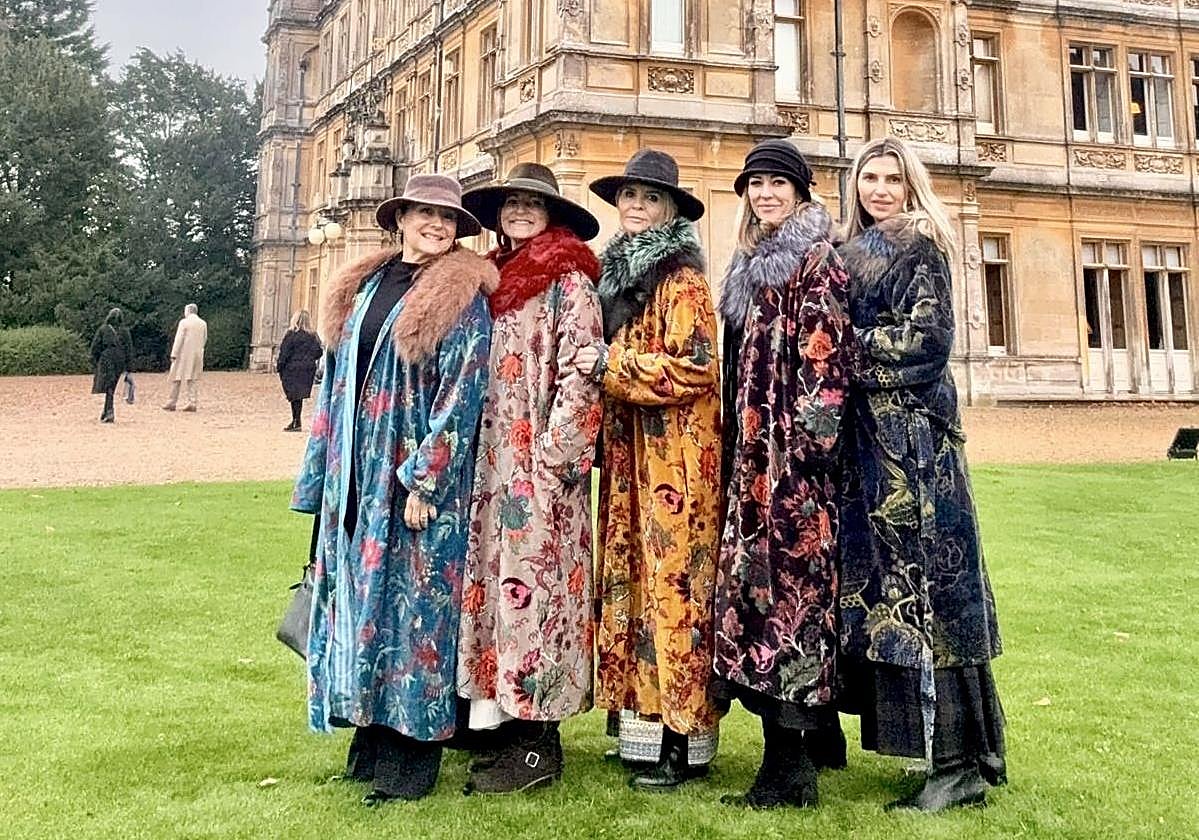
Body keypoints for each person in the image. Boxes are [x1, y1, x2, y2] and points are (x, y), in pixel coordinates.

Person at [290, 174, 496, 805]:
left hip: (409, 481)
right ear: (401, 217)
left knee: (415, 617)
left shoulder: (459, 295)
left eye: (447, 218)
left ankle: (410, 761)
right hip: (356, 475)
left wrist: (426, 479)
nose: (436, 225)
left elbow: (463, 392)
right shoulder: (370, 284)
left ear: (458, 229)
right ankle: (370, 740)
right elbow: (336, 382)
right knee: (361, 608)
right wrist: (322, 469)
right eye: (424, 213)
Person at [837, 136, 1006, 812]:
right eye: (868, 178)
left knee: (935, 600)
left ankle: (961, 764)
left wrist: (837, 352)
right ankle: (952, 755)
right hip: (875, 453)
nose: (879, 190)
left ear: (911, 187)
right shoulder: (858, 251)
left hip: (917, 451)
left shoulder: (918, 243)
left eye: (891, 179)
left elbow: (926, 344)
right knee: (898, 603)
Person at [572, 149, 722, 790]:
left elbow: (697, 366)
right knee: (632, 585)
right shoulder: (618, 277)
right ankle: (643, 728)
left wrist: (612, 369)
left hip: (679, 461)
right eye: (627, 196)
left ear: (668, 211)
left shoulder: (682, 279)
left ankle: (684, 740)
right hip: (633, 460)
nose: (635, 207)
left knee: (675, 592)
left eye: (649, 199)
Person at [713, 139, 854, 809]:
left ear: (800, 191)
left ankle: (788, 769)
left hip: (793, 473)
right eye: (755, 183)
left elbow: (825, 367)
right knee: (757, 604)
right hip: (751, 465)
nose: (764, 193)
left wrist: (802, 458)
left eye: (776, 183)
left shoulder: (814, 259)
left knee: (791, 608)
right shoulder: (748, 264)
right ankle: (801, 751)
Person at [455, 163, 604, 793]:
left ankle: (541, 747)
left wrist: (555, 457)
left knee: (541, 596)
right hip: (494, 466)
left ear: (551, 216)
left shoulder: (567, 278)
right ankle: (508, 727)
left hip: (540, 471)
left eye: (531, 204)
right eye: (511, 203)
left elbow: (585, 370)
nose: (518, 212)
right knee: (499, 593)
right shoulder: (494, 279)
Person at [276, 310, 324, 431]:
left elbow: (284, 353)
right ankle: (296, 420)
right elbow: (319, 352)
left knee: (294, 396)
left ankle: (296, 421)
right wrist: (309, 359)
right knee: (298, 396)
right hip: (307, 369)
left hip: (292, 368)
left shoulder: (291, 335)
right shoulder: (312, 336)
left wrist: (280, 366)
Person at [90, 307, 133, 423]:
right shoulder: (124, 331)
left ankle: (109, 411)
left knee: (108, 385)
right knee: (111, 385)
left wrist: (96, 361)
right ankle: (106, 411)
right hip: (120, 359)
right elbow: (129, 349)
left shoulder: (103, 329)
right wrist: (129, 368)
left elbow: (95, 347)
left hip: (106, 358)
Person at [163, 303, 207, 412]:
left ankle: (172, 402)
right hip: (197, 353)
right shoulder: (203, 323)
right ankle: (192, 402)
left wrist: (174, 353)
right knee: (192, 378)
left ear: (188, 311)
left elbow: (179, 339)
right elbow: (205, 339)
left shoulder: (184, 322)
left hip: (183, 354)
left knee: (176, 377)